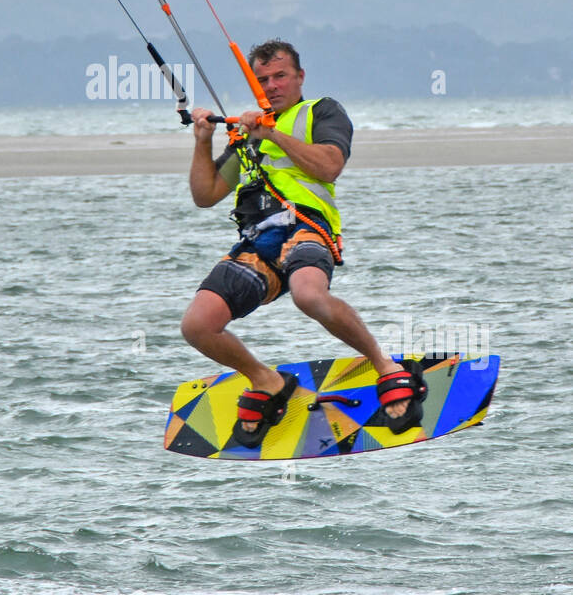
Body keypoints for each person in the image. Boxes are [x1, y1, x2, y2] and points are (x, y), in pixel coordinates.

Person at [180, 39, 425, 447]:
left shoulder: (321, 111)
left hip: (307, 228)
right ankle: (267, 381)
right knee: (196, 325)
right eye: (263, 80)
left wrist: (274, 135)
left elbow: (329, 167)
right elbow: (205, 195)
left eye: (280, 76)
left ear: (299, 77)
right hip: (258, 242)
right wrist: (203, 139)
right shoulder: (246, 135)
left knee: (308, 295)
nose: (272, 86)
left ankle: (385, 367)